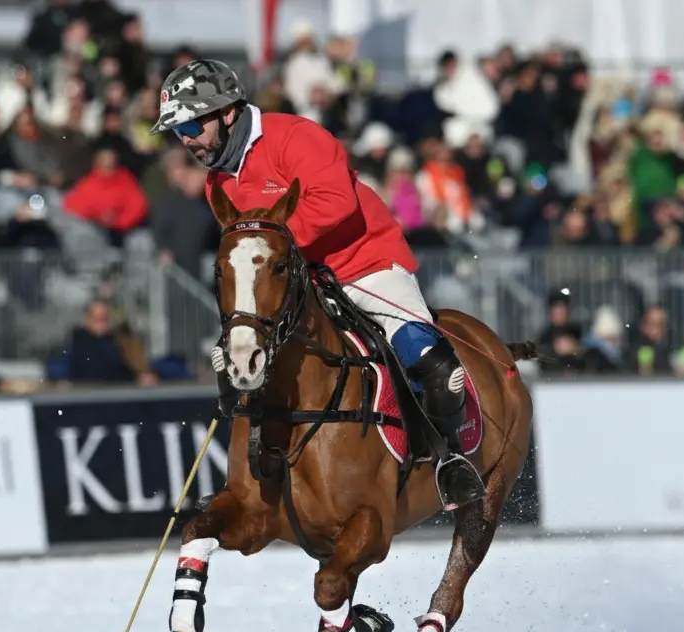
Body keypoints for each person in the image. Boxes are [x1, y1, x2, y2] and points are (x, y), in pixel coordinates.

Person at [149, 59, 484, 510]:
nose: (186, 140)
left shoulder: (295, 137)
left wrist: (280, 246)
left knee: (433, 363)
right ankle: (260, 474)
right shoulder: (217, 185)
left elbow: (336, 201)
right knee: (240, 363)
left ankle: (452, 459)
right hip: (304, 285)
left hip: (365, 264)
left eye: (191, 124)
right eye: (178, 131)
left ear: (226, 112)